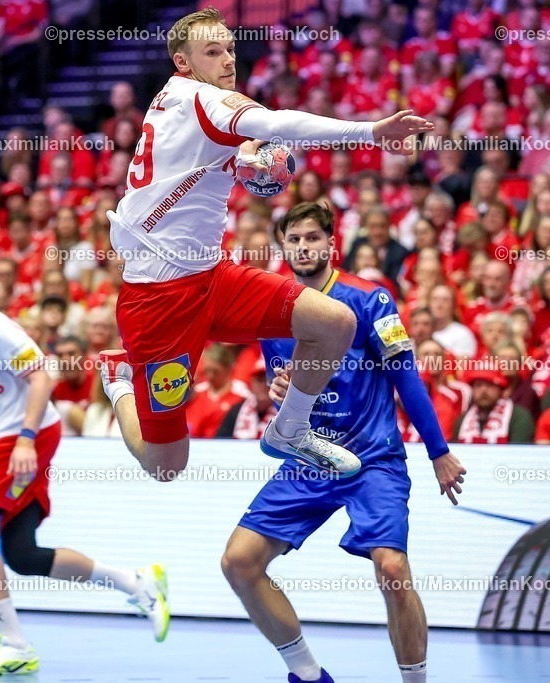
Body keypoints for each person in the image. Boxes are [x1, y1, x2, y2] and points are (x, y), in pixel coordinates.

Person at [103, 8, 432, 481]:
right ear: (183, 62)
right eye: (212, 52)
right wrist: (370, 131)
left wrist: (241, 158)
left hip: (211, 278)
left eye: (231, 49)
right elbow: (278, 124)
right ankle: (118, 384)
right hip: (159, 303)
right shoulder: (209, 101)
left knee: (336, 322)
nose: (228, 60)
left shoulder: (178, 97)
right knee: (166, 465)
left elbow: (198, 153)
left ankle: (290, 428)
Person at [218, 202, 466, 683]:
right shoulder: (274, 310)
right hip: (310, 456)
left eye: (313, 237)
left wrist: (438, 452)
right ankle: (308, 674)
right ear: (283, 247)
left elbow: (406, 376)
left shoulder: (371, 299)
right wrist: (279, 394)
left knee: (392, 570)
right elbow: (289, 400)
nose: (304, 247)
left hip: (373, 461)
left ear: (331, 243)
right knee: (239, 563)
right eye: (294, 239)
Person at [0, 260, 169, 676]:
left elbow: (42, 376)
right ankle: (136, 583)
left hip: (26, 432)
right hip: (2, 436)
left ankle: (14, 643)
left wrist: (26, 438)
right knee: (23, 554)